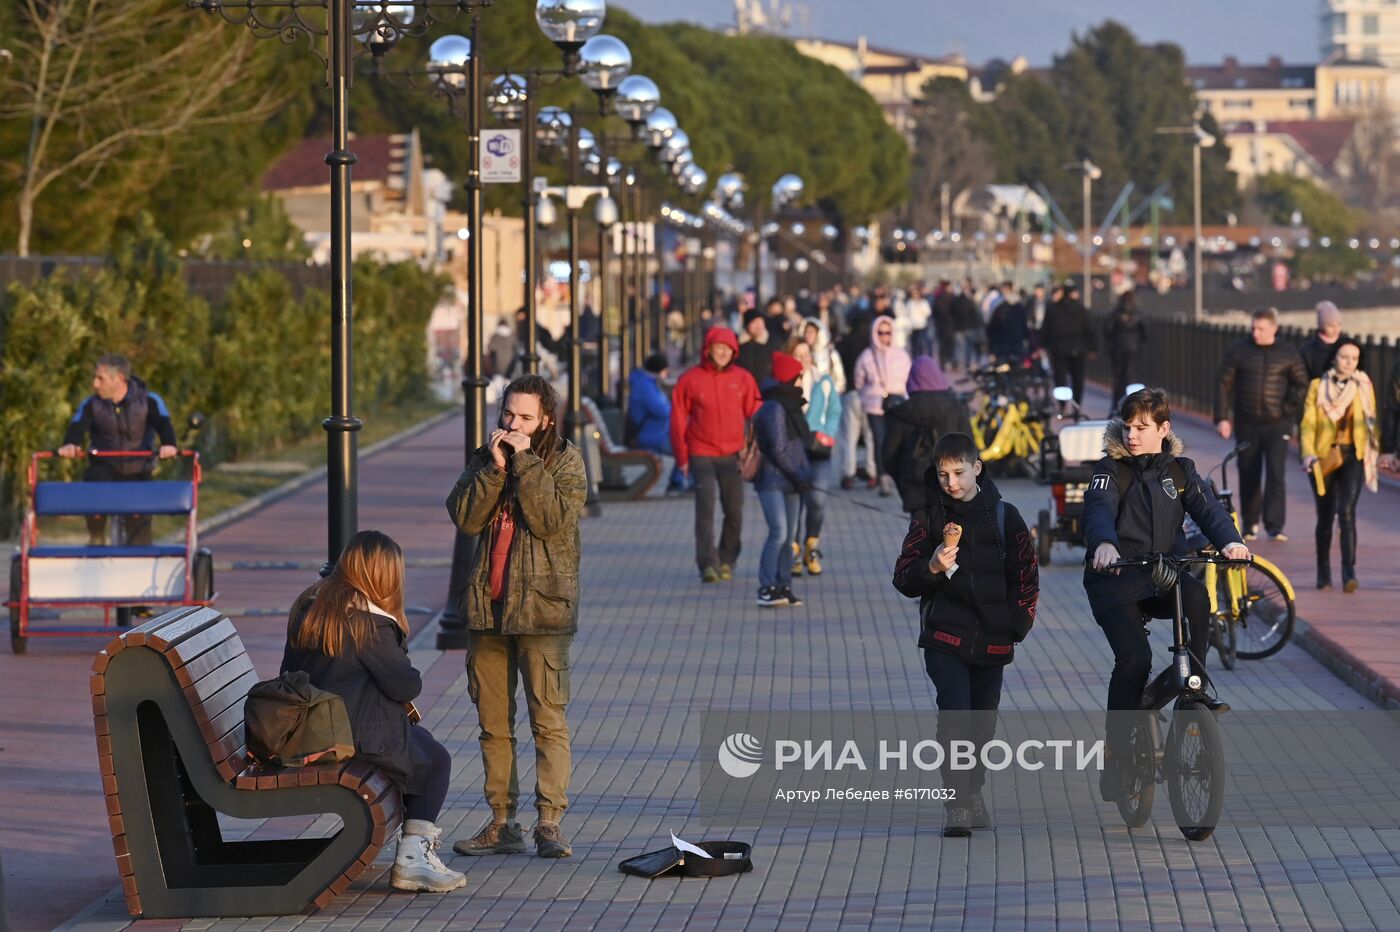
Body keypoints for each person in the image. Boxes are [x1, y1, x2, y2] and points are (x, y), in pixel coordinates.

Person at [1081, 389, 1249, 801]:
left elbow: (1209, 511)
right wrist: (1104, 543)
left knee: (1197, 599)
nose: (1133, 435)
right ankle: (1117, 759)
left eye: (1142, 428)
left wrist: (1231, 543)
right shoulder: (1110, 469)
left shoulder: (1180, 471)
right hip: (1116, 578)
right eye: (1128, 427)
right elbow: (1099, 508)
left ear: (1163, 429)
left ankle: (1193, 685)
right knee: (1134, 659)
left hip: (1161, 575)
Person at [446, 374, 587, 860]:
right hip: (488, 609)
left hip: (543, 612)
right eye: (508, 414)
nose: (513, 424)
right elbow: (465, 517)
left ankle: (550, 823)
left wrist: (524, 462)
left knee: (547, 720)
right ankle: (502, 823)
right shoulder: (487, 458)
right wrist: (494, 467)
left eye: (525, 417)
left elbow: (551, 521)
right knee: (493, 725)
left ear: (545, 418)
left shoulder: (566, 461)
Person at [283, 530, 464, 893]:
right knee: (435, 761)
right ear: (383, 576)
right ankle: (413, 858)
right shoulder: (368, 622)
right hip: (352, 735)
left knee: (422, 743)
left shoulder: (311, 605)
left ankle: (414, 854)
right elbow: (405, 685)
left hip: (309, 727)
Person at [892, 432, 1039, 836]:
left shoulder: (1007, 517)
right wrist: (933, 568)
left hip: (993, 638)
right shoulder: (928, 518)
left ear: (977, 468)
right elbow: (903, 576)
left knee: (982, 726)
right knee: (956, 719)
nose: (951, 482)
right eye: (943, 474)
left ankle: (973, 792)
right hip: (945, 637)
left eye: (959, 472)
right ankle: (957, 804)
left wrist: (1018, 623)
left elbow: (1026, 573)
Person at [670, 326, 763, 582]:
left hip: (733, 454)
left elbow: (756, 413)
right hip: (701, 452)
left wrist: (752, 447)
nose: (721, 353)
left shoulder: (743, 379)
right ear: (708, 350)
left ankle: (727, 558)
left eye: (727, 349)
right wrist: (682, 458)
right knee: (706, 509)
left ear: (734, 352)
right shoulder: (690, 379)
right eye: (717, 348)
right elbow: (678, 419)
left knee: (734, 510)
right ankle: (707, 563)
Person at [58, 354, 179, 546]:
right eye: (95, 378)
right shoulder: (91, 404)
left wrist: (169, 445)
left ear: (120, 378)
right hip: (104, 468)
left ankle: (139, 558)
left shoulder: (149, 401)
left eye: (100, 379)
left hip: (138, 470)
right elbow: (77, 426)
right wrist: (71, 444)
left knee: (139, 536)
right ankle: (96, 537)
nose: (95, 384)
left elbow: (164, 424)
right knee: (95, 485)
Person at [1215, 307, 1309, 541]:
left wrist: (1288, 407)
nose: (1256, 333)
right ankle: (1250, 523)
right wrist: (1222, 417)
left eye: (1261, 328)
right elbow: (1223, 384)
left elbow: (1302, 383)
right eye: (1253, 328)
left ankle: (1275, 525)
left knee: (1276, 473)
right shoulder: (1238, 350)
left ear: (1274, 329)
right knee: (1248, 472)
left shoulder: (1288, 352)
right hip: (1247, 422)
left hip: (1278, 424)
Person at [1300, 339, 1380, 592]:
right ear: (1334, 357)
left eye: (1354, 358)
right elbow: (1307, 423)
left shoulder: (1363, 385)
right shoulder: (1317, 386)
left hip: (1353, 455)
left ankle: (1349, 572)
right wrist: (1308, 454)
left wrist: (1377, 451)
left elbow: (1371, 421)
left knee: (1346, 511)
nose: (1348, 362)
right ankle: (1324, 571)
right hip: (1323, 456)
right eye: (1344, 356)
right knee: (1325, 516)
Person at [752, 351, 814, 607]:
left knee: (790, 537)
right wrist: (799, 474)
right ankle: (766, 586)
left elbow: (798, 445)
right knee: (778, 533)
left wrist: (802, 475)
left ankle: (783, 583)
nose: (801, 382)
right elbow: (778, 448)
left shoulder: (791, 405)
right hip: (773, 479)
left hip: (792, 479)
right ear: (789, 378)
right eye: (798, 377)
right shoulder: (775, 407)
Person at [882, 356, 975, 513]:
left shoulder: (900, 413)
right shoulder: (955, 406)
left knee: (922, 535)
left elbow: (888, 456)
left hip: (916, 488)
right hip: (954, 488)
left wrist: (903, 480)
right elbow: (970, 447)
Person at [788, 338, 840, 576]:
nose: (803, 360)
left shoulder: (823, 381)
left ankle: (812, 545)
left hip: (819, 449)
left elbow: (834, 412)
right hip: (793, 450)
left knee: (817, 499)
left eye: (806, 354)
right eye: (797, 355)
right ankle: (794, 551)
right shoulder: (785, 384)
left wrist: (826, 434)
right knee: (795, 503)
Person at [853, 316, 913, 497]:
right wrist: (867, 395)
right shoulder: (866, 355)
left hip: (897, 403)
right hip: (874, 404)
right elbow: (858, 381)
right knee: (879, 441)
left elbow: (909, 379)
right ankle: (883, 477)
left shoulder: (902, 355)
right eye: (880, 333)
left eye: (888, 333)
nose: (884, 337)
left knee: (897, 441)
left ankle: (899, 475)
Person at [627, 353, 687, 492]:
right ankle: (678, 483)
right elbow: (661, 410)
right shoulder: (644, 386)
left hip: (656, 432)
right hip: (650, 435)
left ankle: (678, 481)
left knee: (685, 443)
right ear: (660, 370)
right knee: (684, 447)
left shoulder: (645, 383)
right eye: (666, 371)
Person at [835, 303, 877, 488]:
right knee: (870, 436)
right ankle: (872, 472)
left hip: (851, 392)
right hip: (871, 394)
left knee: (849, 436)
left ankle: (848, 473)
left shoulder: (845, 341)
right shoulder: (873, 342)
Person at [1041, 280, 1096, 407]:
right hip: (1078, 348)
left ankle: (1062, 405)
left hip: (1058, 349)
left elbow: (1046, 329)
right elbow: (1089, 329)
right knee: (1077, 379)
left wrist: (1043, 345)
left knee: (1060, 379)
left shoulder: (1053, 308)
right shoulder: (1080, 308)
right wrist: (1092, 348)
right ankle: (1077, 404)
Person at [1103, 290, 1149, 406]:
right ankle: (1132, 403)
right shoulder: (1137, 313)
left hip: (1118, 347)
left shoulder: (1115, 313)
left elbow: (1108, 330)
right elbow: (1145, 331)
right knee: (1132, 376)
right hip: (1133, 347)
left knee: (1118, 377)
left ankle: (1116, 403)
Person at [1299, 300, 1348, 383]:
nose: (1336, 329)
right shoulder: (1308, 350)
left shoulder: (1348, 345)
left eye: (1338, 324)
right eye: (1330, 326)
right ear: (1321, 326)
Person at [986, 284, 1030, 364]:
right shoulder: (1020, 307)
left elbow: (991, 330)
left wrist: (992, 350)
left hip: (1004, 347)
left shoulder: (1000, 308)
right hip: (1014, 346)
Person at [736, 308, 775, 383]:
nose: (758, 325)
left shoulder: (773, 342)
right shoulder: (739, 344)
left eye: (760, 321)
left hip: (766, 388)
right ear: (747, 325)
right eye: (754, 322)